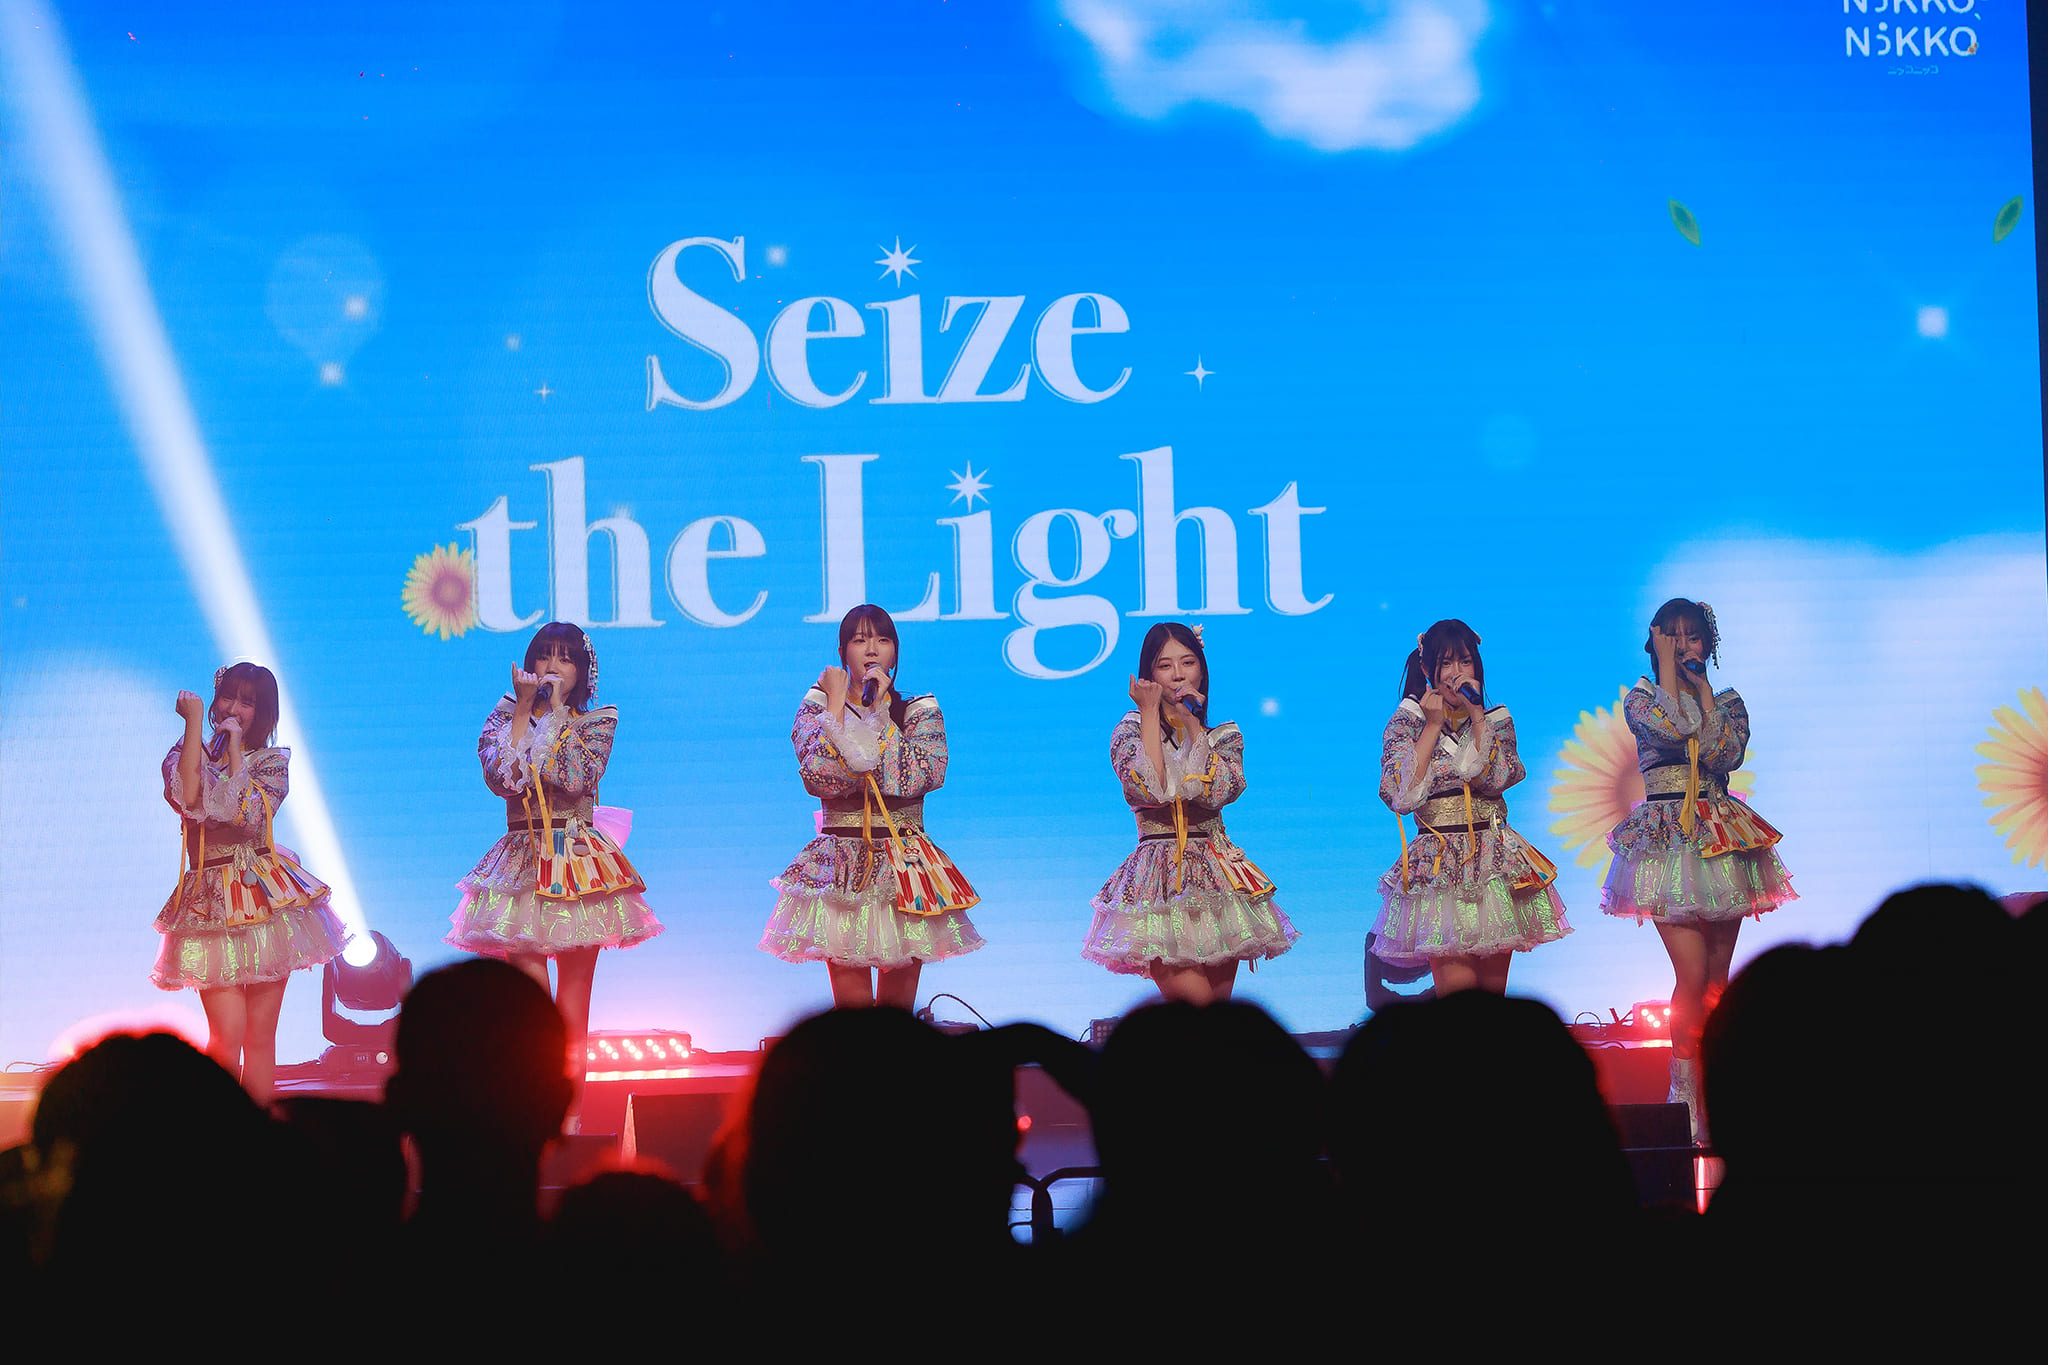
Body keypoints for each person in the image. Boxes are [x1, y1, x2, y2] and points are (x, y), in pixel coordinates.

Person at [448, 622, 660, 1119]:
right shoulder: (506, 716)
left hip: (576, 858)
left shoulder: (596, 722)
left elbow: (576, 775)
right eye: (544, 655)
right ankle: (534, 1115)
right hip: (522, 859)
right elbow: (501, 779)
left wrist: (556, 714)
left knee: (574, 1005)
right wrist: (525, 710)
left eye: (565, 658)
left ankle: (571, 1119)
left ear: (581, 672)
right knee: (529, 1011)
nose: (552, 666)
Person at [1602, 598, 1794, 1139]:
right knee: (1690, 976)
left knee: (1715, 981)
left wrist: (1704, 692)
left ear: (1708, 644)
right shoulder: (1643, 698)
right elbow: (1673, 728)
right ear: (1656, 641)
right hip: (1667, 840)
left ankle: (1720, 1091)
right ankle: (1684, 1098)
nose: (1685, 645)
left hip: (1720, 837)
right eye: (1673, 636)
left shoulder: (1728, 702)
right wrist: (1669, 671)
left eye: (1693, 636)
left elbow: (1723, 755)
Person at [760, 605, 983, 1008]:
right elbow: (820, 774)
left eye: (882, 640)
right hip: (842, 864)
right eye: (859, 640)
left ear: (895, 653)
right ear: (842, 652)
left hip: (904, 866)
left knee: (897, 1015)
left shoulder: (918, 710)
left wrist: (880, 713)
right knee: (853, 1016)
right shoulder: (818, 707)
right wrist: (837, 705)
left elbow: (920, 775)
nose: (872, 650)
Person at [154, 663, 349, 1101]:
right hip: (210, 902)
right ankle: (220, 1134)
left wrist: (236, 749)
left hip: (263, 898)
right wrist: (192, 724)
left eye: (247, 702)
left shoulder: (272, 763)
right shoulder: (188, 752)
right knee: (227, 1034)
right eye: (228, 697)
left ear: (263, 713)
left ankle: (256, 1137)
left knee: (260, 1038)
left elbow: (246, 817)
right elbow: (188, 797)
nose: (233, 709)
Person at [1083, 623, 1297, 1002]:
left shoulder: (1222, 736)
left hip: (1216, 878)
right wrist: (1149, 711)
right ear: (1149, 674)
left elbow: (1221, 791)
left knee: (1215, 1019)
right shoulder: (1129, 731)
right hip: (1160, 879)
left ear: (1202, 668)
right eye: (1165, 665)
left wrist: (1193, 724)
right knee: (1195, 1011)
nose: (1178, 674)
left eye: (1188, 662)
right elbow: (1149, 789)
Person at [1370, 620, 1569, 996]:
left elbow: (1497, 778)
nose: (1456, 673)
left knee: (1492, 1002)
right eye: (1445, 663)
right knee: (1459, 1004)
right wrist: (1432, 725)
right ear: (1427, 669)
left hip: (1494, 861)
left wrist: (1477, 715)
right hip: (1440, 866)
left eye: (1465, 661)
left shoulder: (1496, 721)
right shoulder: (1407, 722)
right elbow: (1400, 794)